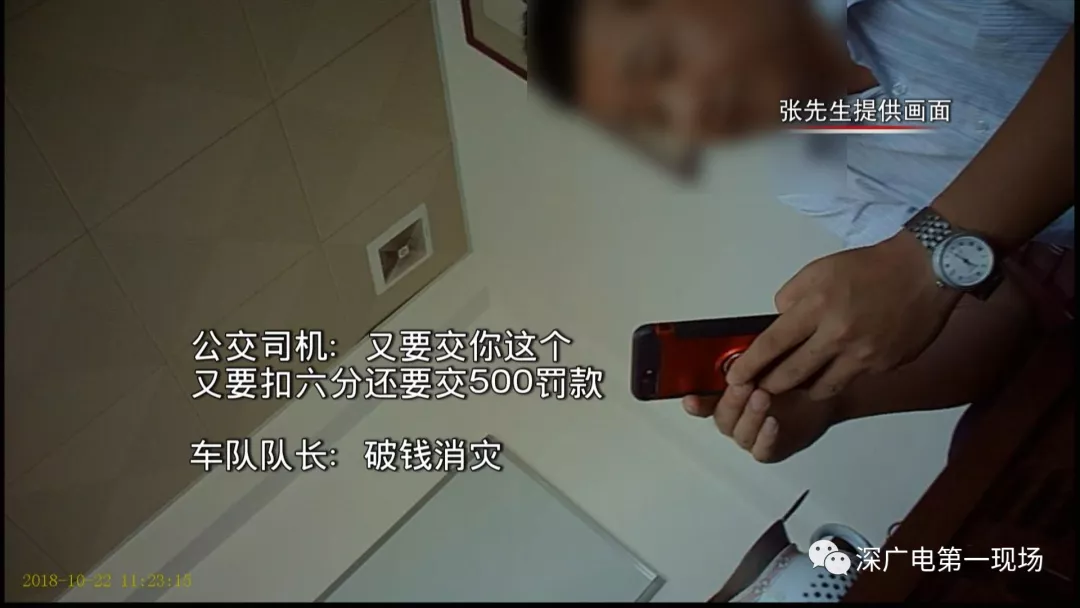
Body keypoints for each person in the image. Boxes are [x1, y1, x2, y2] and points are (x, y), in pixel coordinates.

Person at [525, 0, 1074, 462]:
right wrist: (831, 397)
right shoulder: (805, 172)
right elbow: (998, 305)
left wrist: (924, 257)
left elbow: (930, 272)